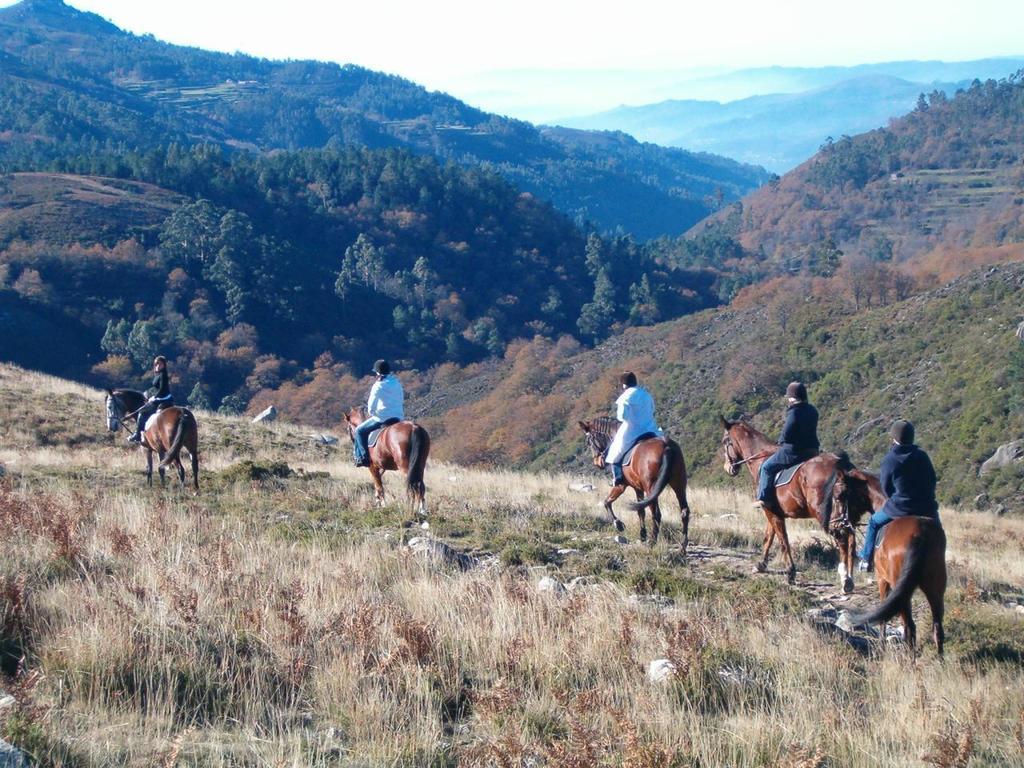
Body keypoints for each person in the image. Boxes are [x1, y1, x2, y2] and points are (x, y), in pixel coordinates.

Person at [858, 419, 939, 572]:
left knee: (874, 522)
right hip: (927, 508)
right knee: (939, 532)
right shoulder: (922, 456)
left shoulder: (889, 459)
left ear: (894, 437)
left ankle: (866, 559)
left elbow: (886, 488)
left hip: (900, 509)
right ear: (912, 437)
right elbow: (932, 481)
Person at [755, 381, 820, 509]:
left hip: (794, 452)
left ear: (792, 397)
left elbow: (787, 431)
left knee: (766, 467)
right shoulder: (813, 410)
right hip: (812, 450)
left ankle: (764, 498)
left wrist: (781, 440)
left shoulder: (794, 411)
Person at [605, 371, 662, 486]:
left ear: (624, 385)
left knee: (615, 452)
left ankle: (618, 478)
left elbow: (622, 417)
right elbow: (652, 410)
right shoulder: (647, 395)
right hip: (650, 428)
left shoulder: (625, 397)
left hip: (633, 430)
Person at [353, 359, 404, 467]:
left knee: (359, 430)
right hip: (398, 416)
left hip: (382, 417)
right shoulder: (397, 383)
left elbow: (371, 406)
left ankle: (362, 458)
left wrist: (372, 413)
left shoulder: (378, 385)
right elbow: (401, 399)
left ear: (377, 372)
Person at [128, 355, 174, 443]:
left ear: (164, 365)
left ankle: (137, 435)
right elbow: (155, 388)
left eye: (160, 364)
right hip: (161, 397)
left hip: (163, 399)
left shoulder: (163, 375)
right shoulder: (159, 375)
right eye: (156, 364)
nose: (157, 366)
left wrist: (154, 397)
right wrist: (147, 393)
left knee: (142, 413)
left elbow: (161, 389)